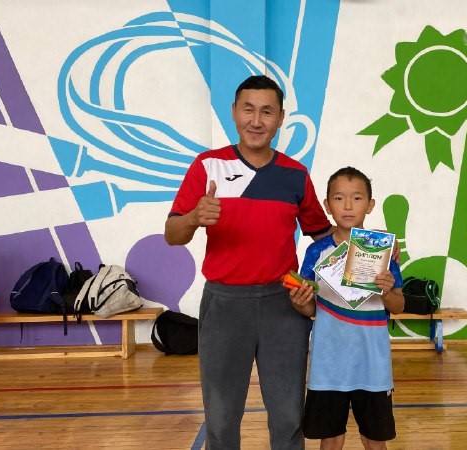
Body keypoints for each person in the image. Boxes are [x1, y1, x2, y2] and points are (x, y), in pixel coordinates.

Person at [164, 75, 333, 449]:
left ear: (281, 118)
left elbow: (324, 237)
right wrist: (193, 218)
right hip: (224, 306)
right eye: (248, 109)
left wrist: (373, 249)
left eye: (267, 112)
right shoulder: (207, 166)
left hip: (284, 305)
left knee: (289, 416)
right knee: (222, 417)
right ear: (234, 112)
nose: (256, 121)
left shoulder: (295, 174)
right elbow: (172, 234)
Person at [289, 167, 405, 450]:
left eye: (357, 198)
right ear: (327, 205)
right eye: (339, 198)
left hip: (373, 364)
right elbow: (311, 308)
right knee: (330, 438)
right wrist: (300, 302)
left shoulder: (383, 250)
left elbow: (399, 305)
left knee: (374, 439)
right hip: (328, 363)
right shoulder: (316, 252)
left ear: (370, 204)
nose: (349, 206)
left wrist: (386, 291)